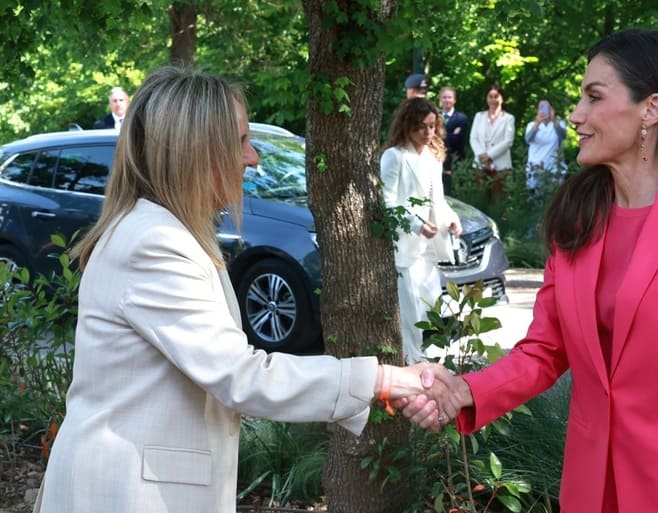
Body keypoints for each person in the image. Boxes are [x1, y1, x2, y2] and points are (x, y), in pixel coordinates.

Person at [404, 29, 658, 512]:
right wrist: (463, 390)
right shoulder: (577, 218)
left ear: (653, 109)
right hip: (590, 489)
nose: (577, 115)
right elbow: (545, 350)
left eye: (594, 97)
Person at [33, 66, 439, 513]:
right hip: (124, 495)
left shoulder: (165, 231)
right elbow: (241, 376)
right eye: (240, 141)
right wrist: (380, 378)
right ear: (195, 151)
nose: (252, 158)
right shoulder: (155, 242)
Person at [381, 97, 462, 364]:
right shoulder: (395, 157)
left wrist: (451, 218)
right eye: (422, 127)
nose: (428, 133)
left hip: (429, 244)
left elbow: (437, 199)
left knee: (429, 306)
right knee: (410, 310)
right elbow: (388, 201)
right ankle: (411, 362)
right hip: (406, 245)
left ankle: (423, 358)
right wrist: (416, 225)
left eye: (432, 126)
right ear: (408, 127)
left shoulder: (432, 156)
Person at [469, 84, 515, 203]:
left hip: (501, 166)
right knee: (480, 199)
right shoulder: (479, 116)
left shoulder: (508, 118)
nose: (493, 100)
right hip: (480, 164)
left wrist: (489, 155)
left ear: (502, 99)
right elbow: (473, 138)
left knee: (498, 201)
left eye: (496, 96)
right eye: (490, 96)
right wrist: (481, 155)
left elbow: (508, 141)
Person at [524, 98, 567, 190]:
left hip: (555, 169)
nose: (544, 110)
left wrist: (554, 120)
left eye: (546, 107)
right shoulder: (531, 125)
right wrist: (537, 123)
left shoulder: (559, 124)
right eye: (541, 107)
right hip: (535, 168)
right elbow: (528, 139)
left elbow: (563, 136)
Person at [439, 86, 469, 194]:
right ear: (440, 99)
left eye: (449, 97)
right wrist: (451, 134)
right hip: (438, 160)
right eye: (444, 97)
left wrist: (440, 134)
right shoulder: (435, 116)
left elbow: (458, 140)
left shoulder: (461, 118)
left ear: (454, 100)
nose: (447, 100)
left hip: (455, 161)